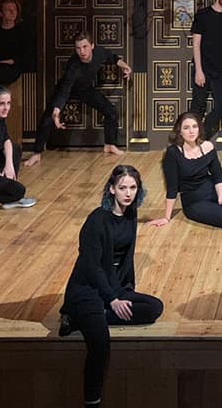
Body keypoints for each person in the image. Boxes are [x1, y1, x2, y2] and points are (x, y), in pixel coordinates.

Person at [58, 165, 164, 408]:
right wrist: (113, 299)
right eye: (123, 188)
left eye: (133, 188)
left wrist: (124, 291)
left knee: (153, 308)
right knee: (100, 344)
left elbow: (127, 258)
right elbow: (92, 267)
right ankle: (92, 402)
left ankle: (84, 319)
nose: (128, 193)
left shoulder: (131, 214)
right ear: (111, 189)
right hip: (87, 289)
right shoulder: (96, 221)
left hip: (113, 285)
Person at [25, 32, 130, 166]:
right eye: (78, 48)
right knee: (48, 117)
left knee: (110, 111)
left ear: (92, 46)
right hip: (66, 89)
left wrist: (124, 66)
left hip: (84, 89)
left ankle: (109, 145)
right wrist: (57, 110)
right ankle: (36, 154)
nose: (82, 51)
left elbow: (112, 57)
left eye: (85, 47)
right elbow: (65, 90)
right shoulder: (73, 66)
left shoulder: (99, 52)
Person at [148, 111, 222, 229]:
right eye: (186, 128)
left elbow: (218, 176)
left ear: (199, 129)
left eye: (194, 127)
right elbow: (172, 188)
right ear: (180, 132)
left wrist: (221, 199)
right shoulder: (173, 153)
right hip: (194, 201)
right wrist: (166, 217)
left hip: (213, 189)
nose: (191, 131)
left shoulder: (208, 146)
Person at [190, 0, 222, 141]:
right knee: (198, 106)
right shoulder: (203, 15)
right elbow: (196, 44)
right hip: (202, 67)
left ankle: (201, 137)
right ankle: (188, 141)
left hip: (220, 70)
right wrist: (198, 70)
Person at [0, 0, 33, 87]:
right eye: (8, 10)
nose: (13, 12)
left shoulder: (22, 32)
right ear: (1, 13)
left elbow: (26, 55)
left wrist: (11, 61)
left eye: (15, 9)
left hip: (13, 67)